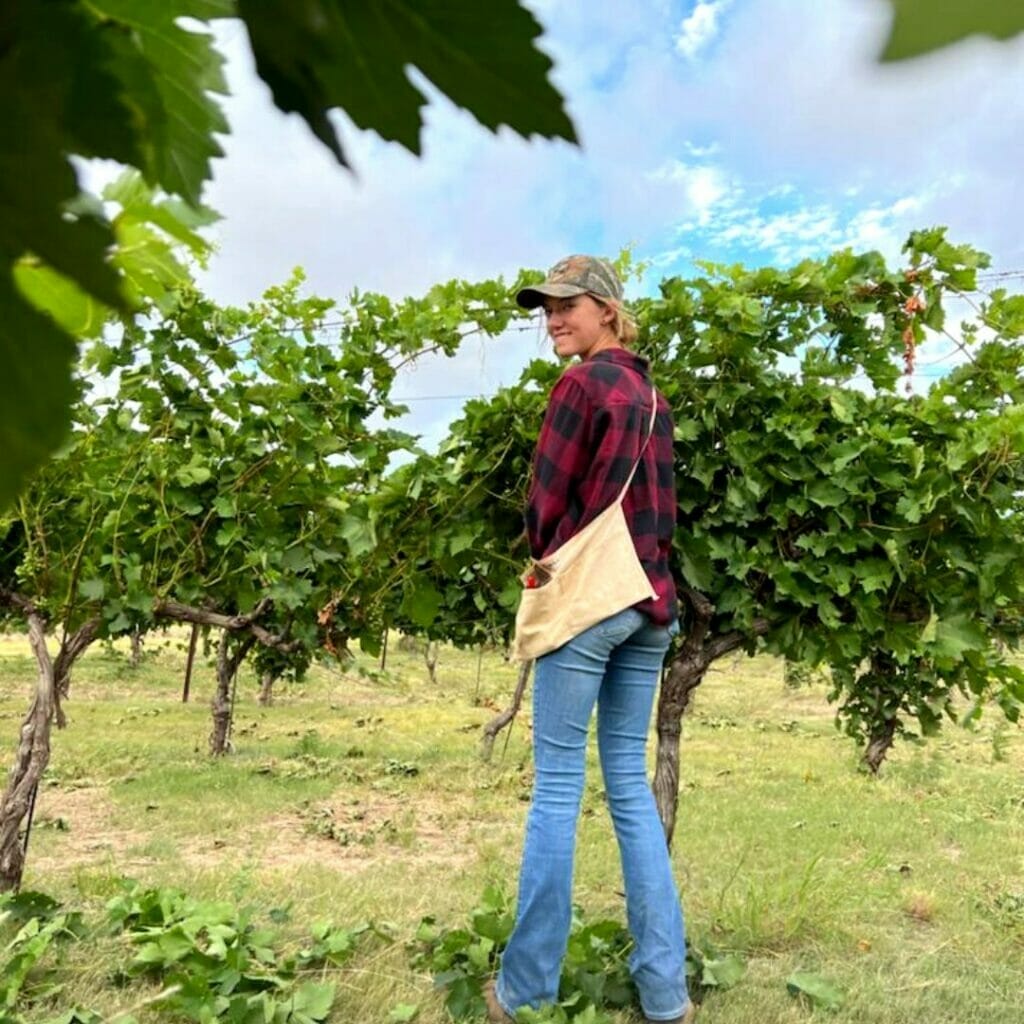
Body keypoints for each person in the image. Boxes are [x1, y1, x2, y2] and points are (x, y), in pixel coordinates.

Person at [485, 256, 693, 1024]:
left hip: (590, 605)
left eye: (567, 305)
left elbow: (546, 502)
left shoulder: (581, 385)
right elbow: (660, 509)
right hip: (650, 603)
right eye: (545, 309)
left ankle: (527, 990)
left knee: (558, 789)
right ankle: (666, 995)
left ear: (607, 309)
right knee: (630, 791)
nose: (553, 319)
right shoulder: (651, 395)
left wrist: (546, 554)